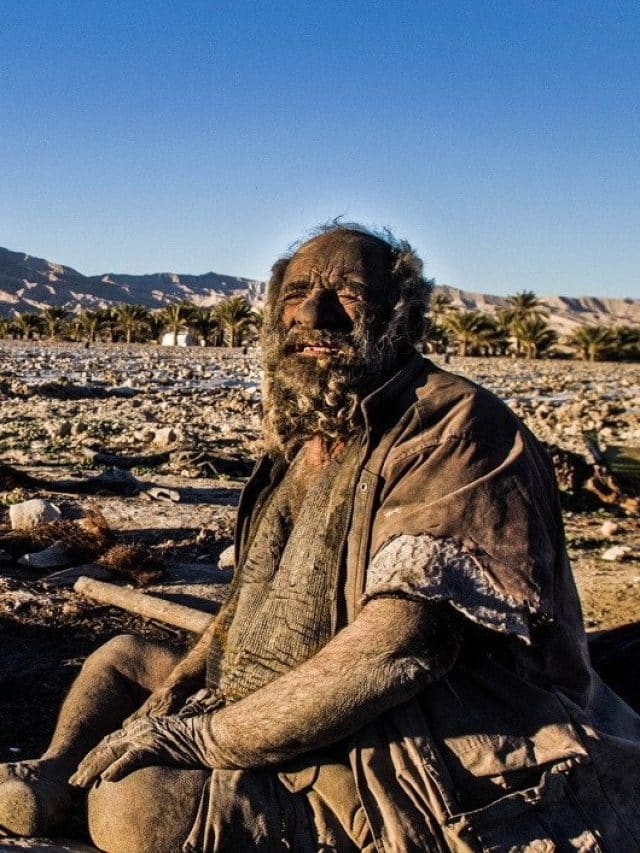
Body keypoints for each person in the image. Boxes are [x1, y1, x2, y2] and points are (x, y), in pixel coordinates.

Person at [1, 224, 639, 852]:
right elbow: (245, 603)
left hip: (412, 729)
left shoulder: (455, 431)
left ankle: (109, 794)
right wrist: (185, 684)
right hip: (270, 694)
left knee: (137, 805)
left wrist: (201, 738)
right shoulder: (305, 439)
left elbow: (395, 653)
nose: (314, 311)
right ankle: (58, 776)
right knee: (121, 658)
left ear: (404, 317)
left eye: (350, 293)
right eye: (296, 292)